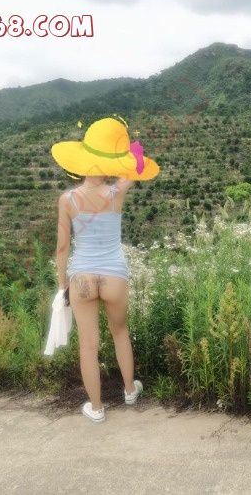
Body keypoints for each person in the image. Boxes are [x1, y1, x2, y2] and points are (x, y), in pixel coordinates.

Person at [50, 115, 160, 422]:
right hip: (114, 275)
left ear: (83, 163)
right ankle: (130, 391)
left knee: (88, 346)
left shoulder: (67, 199)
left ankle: (96, 408)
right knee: (120, 332)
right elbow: (138, 170)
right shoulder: (115, 193)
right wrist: (134, 153)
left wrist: (62, 284)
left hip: (82, 277)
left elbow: (62, 247)